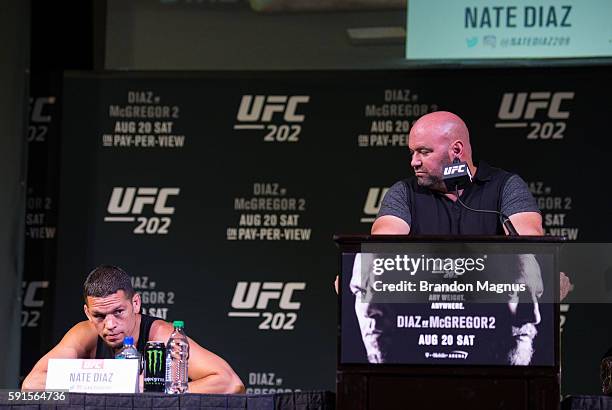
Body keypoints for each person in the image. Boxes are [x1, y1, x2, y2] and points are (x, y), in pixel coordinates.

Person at [22, 265, 244, 393]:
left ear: (135, 304)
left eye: (119, 312)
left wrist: (154, 387)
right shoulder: (84, 334)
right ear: (88, 313)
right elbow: (31, 384)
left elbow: (231, 383)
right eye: (99, 316)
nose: (110, 325)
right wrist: (110, 381)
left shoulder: (161, 335)